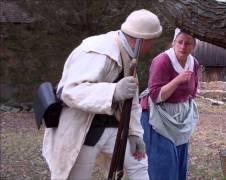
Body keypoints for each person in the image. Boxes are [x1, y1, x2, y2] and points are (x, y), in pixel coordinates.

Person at [42, 9, 162, 180]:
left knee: (138, 165)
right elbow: (70, 91)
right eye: (152, 41)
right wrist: (113, 91)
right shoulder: (98, 50)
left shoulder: (129, 55)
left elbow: (132, 102)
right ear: (141, 40)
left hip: (114, 128)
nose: (152, 46)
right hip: (82, 130)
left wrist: (135, 133)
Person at [140, 28, 199, 180]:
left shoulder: (194, 63)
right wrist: (178, 80)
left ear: (194, 46)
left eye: (188, 43)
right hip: (158, 116)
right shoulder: (162, 61)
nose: (183, 47)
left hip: (180, 118)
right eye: (180, 42)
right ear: (173, 42)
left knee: (179, 164)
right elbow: (156, 96)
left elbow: (192, 92)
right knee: (163, 164)